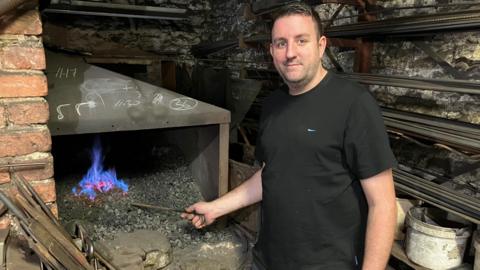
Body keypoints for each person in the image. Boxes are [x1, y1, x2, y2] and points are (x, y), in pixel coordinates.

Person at [181, 3, 397, 270]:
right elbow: (271, 173)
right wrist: (216, 208)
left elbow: (383, 204)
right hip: (268, 259)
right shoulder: (272, 105)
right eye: (281, 43)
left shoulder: (354, 104)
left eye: (301, 41)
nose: (290, 53)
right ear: (271, 51)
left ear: (321, 46)